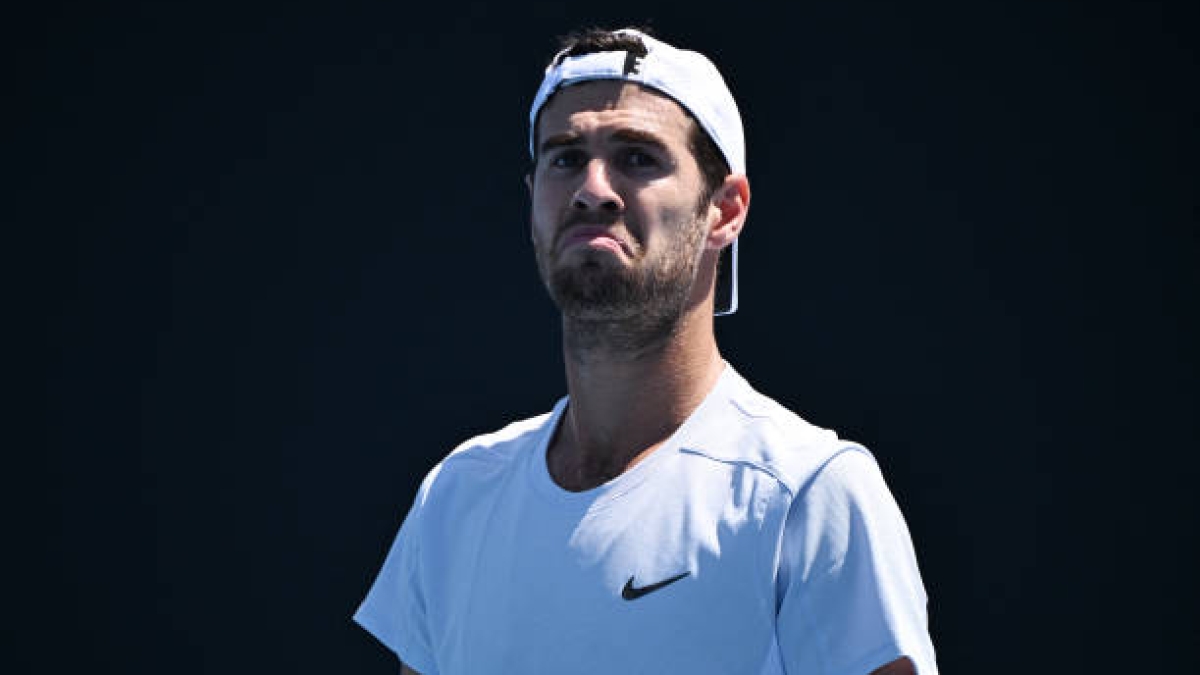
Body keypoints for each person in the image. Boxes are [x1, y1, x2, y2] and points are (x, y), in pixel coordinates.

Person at [355, 27, 938, 675]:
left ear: (725, 211)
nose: (593, 189)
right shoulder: (456, 495)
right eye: (565, 158)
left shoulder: (811, 493)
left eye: (637, 157)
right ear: (532, 201)